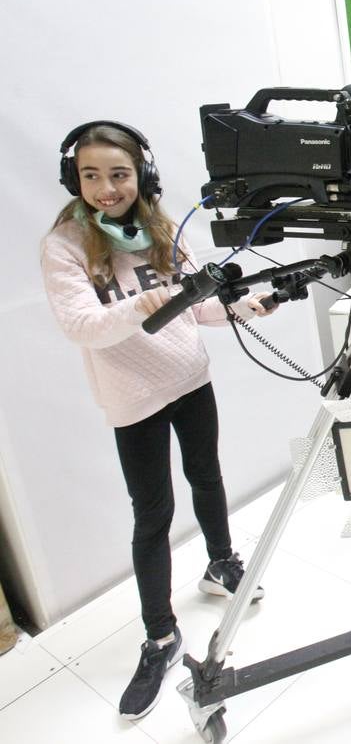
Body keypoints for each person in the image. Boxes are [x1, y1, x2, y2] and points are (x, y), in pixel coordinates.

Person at [41, 122, 275, 720]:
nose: (105, 188)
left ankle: (221, 563)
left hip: (189, 378)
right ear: (74, 178)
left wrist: (251, 304)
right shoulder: (66, 245)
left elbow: (200, 308)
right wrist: (142, 303)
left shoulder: (164, 229)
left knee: (207, 474)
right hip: (132, 397)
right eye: (90, 175)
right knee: (153, 515)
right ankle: (160, 635)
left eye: (118, 174)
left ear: (140, 173)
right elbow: (79, 327)